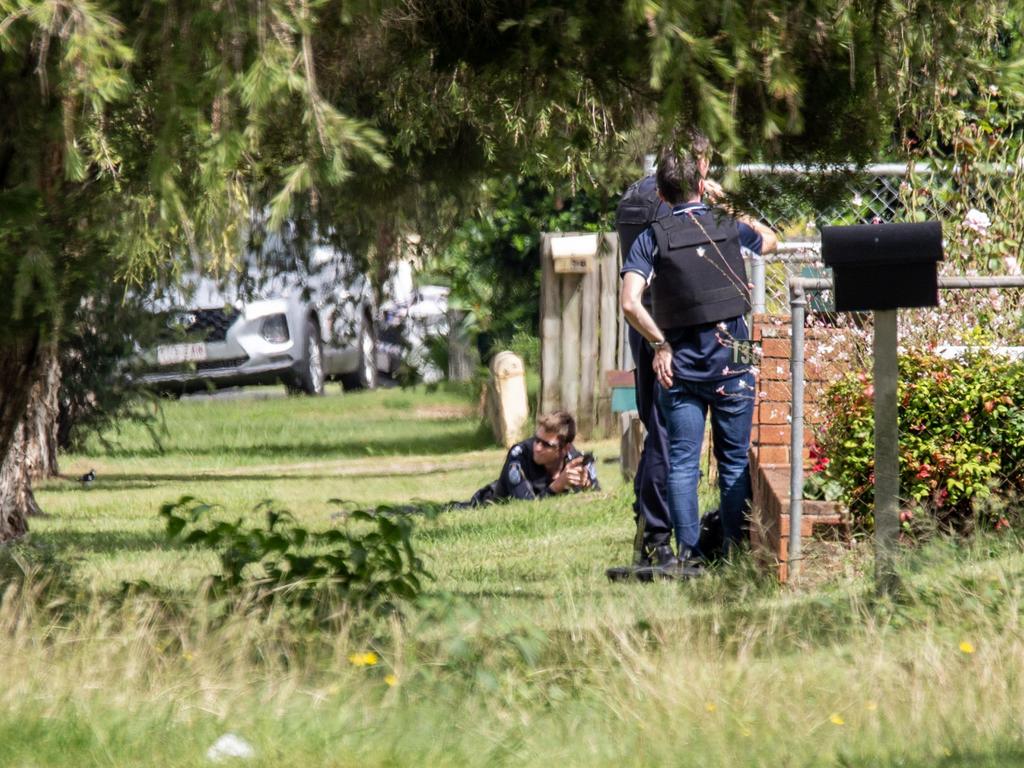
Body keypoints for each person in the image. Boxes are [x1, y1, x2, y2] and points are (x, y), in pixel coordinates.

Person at [620, 148, 777, 567]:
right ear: (702, 180)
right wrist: (727, 202)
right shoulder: (726, 223)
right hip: (734, 364)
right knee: (733, 462)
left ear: (659, 190)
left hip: (680, 367)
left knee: (684, 463)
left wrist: (659, 345)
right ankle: (732, 553)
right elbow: (772, 240)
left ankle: (689, 557)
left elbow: (631, 303)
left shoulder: (651, 237)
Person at [615, 134, 712, 570]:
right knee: (667, 433)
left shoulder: (637, 196)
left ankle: (649, 529)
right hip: (672, 331)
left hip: (647, 327)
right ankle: (657, 538)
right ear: (699, 163)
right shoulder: (670, 204)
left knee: (660, 429)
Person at [464, 411, 599, 507]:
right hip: (488, 502)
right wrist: (557, 486)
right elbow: (526, 506)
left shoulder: (575, 459)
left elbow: (598, 496)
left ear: (565, 449)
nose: (538, 447)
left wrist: (586, 485)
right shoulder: (519, 455)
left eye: (546, 445)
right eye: (536, 440)